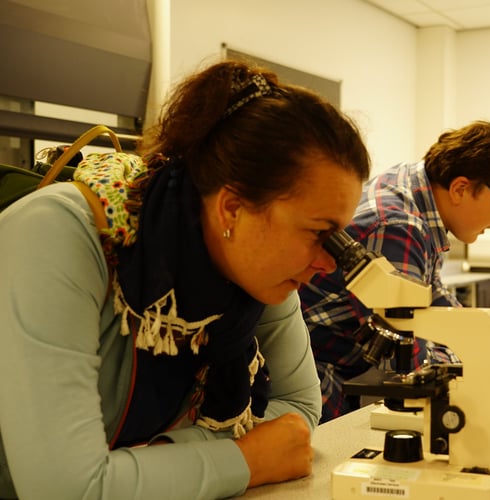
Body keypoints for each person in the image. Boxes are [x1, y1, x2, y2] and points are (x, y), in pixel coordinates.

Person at [0, 60, 370, 499]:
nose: (329, 264)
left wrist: (157, 462)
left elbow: (298, 413)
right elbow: (63, 489)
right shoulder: (56, 233)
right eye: (318, 232)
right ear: (232, 208)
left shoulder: (253, 269)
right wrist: (245, 460)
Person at [299, 120, 490, 422]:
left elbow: (429, 294)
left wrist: (480, 336)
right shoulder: (398, 224)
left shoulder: (413, 190)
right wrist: (477, 356)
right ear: (460, 188)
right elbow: (404, 352)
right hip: (322, 384)